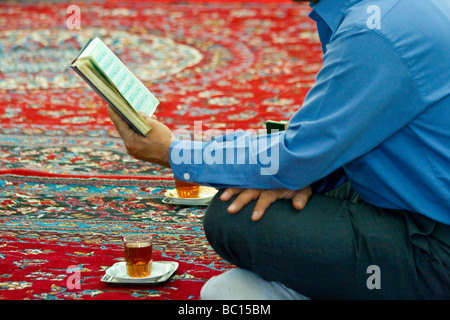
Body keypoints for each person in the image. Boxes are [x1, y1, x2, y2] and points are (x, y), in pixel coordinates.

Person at [107, 0, 450, 299]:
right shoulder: (393, 10)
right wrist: (303, 175)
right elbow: (317, 140)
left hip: (436, 254)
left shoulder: (372, 33)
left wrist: (173, 152)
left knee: (232, 219)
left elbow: (295, 154)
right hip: (419, 200)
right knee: (281, 187)